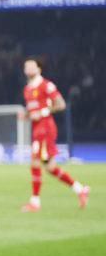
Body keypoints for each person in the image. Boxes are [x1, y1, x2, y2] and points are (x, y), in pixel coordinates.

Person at [19, 57, 89, 212]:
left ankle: (35, 202)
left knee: (35, 163)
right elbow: (33, 110)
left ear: (39, 69)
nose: (28, 69)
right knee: (50, 167)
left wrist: (42, 112)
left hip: (45, 128)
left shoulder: (46, 85)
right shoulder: (27, 89)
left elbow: (61, 104)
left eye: (32, 66)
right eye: (26, 66)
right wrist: (26, 115)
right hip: (37, 129)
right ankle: (80, 189)